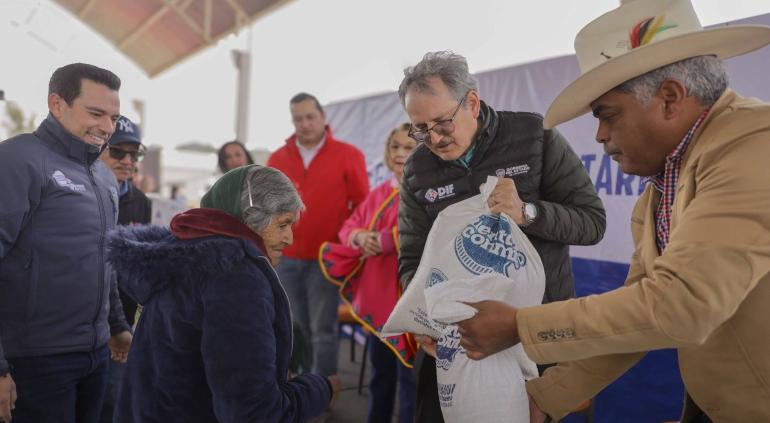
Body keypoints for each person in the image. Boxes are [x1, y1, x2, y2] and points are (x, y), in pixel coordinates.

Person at [455, 1, 770, 421]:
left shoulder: (754, 147)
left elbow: (679, 305)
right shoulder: (660, 188)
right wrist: (546, 398)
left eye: (608, 115)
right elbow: (639, 317)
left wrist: (519, 326)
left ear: (670, 98)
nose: (600, 135)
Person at [396, 51, 606, 422]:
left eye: (442, 122)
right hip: (459, 339)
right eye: (420, 129)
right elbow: (412, 258)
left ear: (472, 102)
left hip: (538, 333)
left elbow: (592, 222)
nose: (434, 138)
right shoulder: (418, 169)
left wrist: (528, 212)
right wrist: (425, 318)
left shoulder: (533, 137)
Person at [108, 165, 338, 422]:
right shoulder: (236, 277)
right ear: (250, 218)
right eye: (283, 224)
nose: (289, 238)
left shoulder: (185, 252)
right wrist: (320, 389)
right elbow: (253, 412)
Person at [0, 63, 132, 423]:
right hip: (33, 361)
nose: (107, 128)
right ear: (57, 104)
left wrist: (118, 327)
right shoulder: (16, 160)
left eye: (114, 118)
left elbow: (107, 258)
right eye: (96, 113)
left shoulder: (103, 176)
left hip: (95, 355)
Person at [267, 93, 369, 386]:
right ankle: (298, 390)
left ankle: (323, 393)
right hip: (284, 258)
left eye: (310, 117)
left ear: (323, 117)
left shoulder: (350, 155)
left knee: (323, 330)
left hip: (325, 260)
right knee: (293, 327)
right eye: (298, 118)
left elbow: (361, 209)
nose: (305, 124)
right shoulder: (277, 158)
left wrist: (345, 247)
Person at [320, 123, 417, 423]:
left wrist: (386, 240)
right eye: (395, 147)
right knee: (381, 375)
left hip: (413, 300)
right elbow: (349, 227)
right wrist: (361, 237)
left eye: (409, 148)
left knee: (411, 381)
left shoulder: (426, 191)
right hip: (379, 300)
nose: (400, 153)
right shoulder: (378, 193)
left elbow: (424, 231)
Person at [98, 116, 151, 423]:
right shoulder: (79, 193)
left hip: (123, 325)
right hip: (85, 325)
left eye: (135, 154)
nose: (128, 161)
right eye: (119, 152)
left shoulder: (141, 201)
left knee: (115, 406)